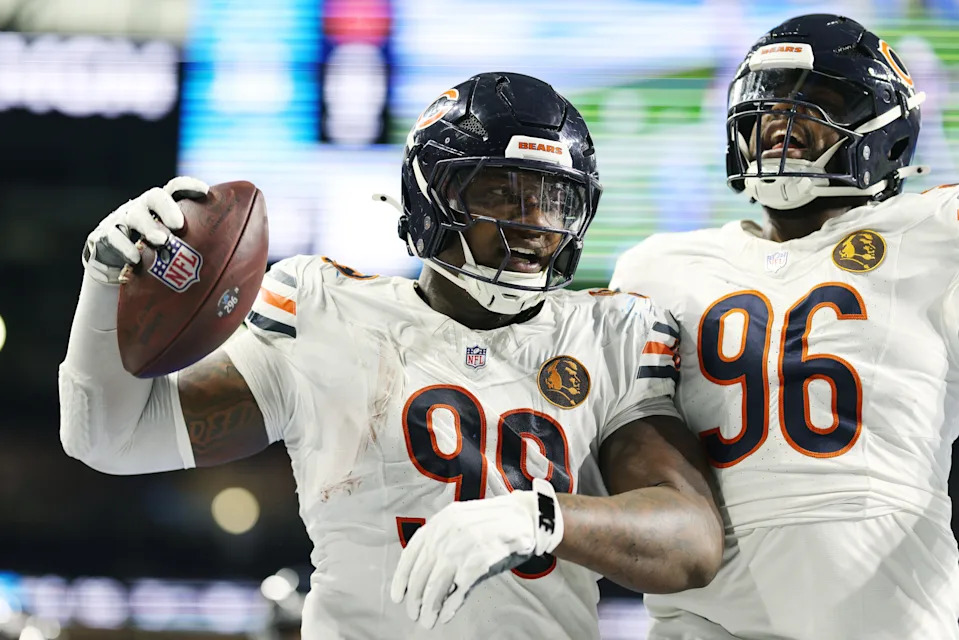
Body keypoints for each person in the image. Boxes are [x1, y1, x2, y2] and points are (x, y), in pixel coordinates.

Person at [59, 71, 724, 639]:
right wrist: (105, 283)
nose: (530, 225)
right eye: (498, 192)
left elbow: (691, 542)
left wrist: (539, 515)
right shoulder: (325, 309)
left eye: (552, 199)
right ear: (427, 197)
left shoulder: (607, 332)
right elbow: (112, 438)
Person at [611, 14, 959, 640]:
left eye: (818, 101)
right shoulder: (657, 267)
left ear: (888, 134)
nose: (781, 122)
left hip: (879, 603)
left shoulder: (937, 234)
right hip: (705, 608)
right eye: (769, 105)